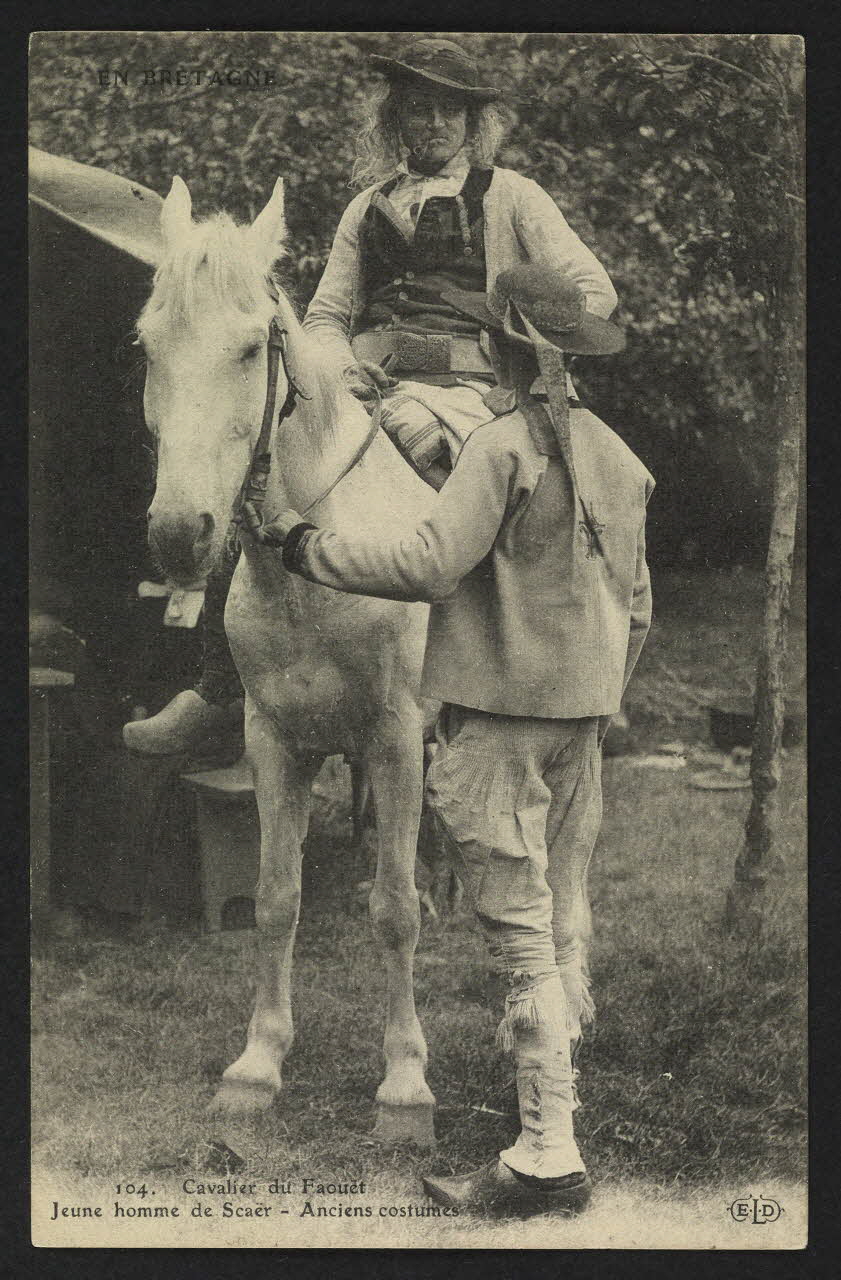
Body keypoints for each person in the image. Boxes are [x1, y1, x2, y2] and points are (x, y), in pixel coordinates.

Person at [252, 265, 654, 1215]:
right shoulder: (623, 460)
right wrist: (592, 699)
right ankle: (547, 1131)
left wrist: (304, 548)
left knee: (522, 940)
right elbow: (637, 611)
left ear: (504, 348)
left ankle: (546, 1158)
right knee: (546, 921)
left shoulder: (500, 448)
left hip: (498, 728)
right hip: (579, 725)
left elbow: (430, 567)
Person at [124, 34, 619, 756]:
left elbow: (591, 290)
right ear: (393, 122)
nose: (432, 125)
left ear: (472, 122)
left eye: (448, 112)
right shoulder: (366, 209)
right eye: (416, 112)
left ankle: (505, 675)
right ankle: (222, 688)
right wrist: (337, 367)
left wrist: (520, 337)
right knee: (265, 489)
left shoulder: (513, 198)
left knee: (487, 499)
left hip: (474, 393)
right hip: (372, 389)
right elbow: (324, 315)